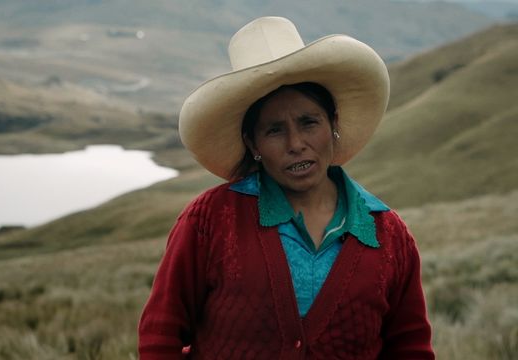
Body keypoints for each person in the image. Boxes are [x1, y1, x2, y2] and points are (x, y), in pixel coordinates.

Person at [138, 16, 434, 359]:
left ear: (333, 124)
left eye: (309, 122)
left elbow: (410, 347)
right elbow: (161, 334)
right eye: (274, 130)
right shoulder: (211, 220)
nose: (296, 143)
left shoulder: (388, 235)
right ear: (253, 144)